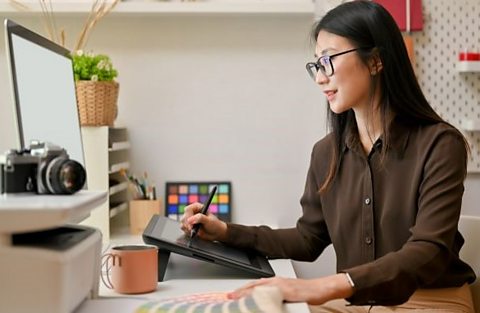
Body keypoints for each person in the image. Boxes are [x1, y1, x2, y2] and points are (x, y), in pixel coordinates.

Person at [181, 1, 477, 312]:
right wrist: (225, 232)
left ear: (375, 61)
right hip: (356, 303)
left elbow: (427, 250)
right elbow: (308, 238)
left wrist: (323, 286)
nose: (321, 77)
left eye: (328, 60)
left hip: (428, 301)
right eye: (317, 65)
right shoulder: (326, 153)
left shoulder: (440, 145)